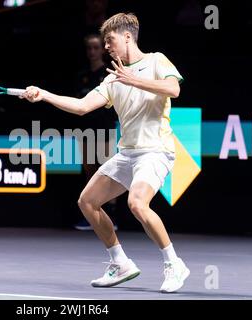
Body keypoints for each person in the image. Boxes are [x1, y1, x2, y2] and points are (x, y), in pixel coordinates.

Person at [20, 13, 189, 293]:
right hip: (128, 153)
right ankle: (120, 263)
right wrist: (45, 95)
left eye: (109, 41)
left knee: (137, 203)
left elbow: (173, 89)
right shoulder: (113, 79)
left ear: (126, 36)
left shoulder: (157, 60)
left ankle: (174, 263)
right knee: (87, 201)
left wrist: (134, 80)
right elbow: (82, 106)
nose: (106, 47)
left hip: (156, 150)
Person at [73, 34, 119, 231]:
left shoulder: (109, 74)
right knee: (90, 172)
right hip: (85, 130)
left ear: (102, 50)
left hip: (105, 129)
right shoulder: (81, 75)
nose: (92, 52)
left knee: (108, 172)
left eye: (95, 48)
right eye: (88, 48)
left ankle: (112, 216)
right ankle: (92, 214)